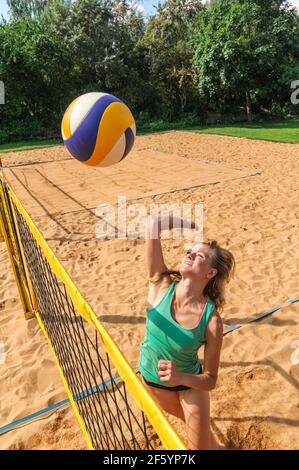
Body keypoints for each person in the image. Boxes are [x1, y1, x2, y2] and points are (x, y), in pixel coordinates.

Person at [138, 215, 235, 450]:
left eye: (199, 255)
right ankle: (216, 448)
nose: (189, 254)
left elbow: (210, 380)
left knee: (198, 450)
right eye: (189, 251)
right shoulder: (160, 284)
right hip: (153, 381)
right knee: (199, 436)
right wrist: (186, 223)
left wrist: (179, 377)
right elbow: (152, 224)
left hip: (190, 385)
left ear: (210, 273)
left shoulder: (212, 321)